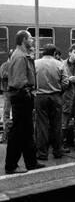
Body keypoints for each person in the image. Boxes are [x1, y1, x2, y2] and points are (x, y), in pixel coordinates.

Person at [5, 30, 45, 174]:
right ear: (23, 40)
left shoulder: (22, 55)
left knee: (27, 131)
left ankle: (31, 162)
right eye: (30, 38)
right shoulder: (20, 56)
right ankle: (11, 165)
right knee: (18, 132)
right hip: (21, 96)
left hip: (22, 96)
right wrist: (28, 93)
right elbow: (18, 81)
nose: (32, 40)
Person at [34, 44, 69, 160]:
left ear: (43, 52)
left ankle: (42, 153)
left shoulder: (35, 63)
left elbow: (31, 80)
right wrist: (59, 91)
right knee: (56, 125)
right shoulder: (60, 64)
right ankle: (57, 151)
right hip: (56, 97)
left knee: (42, 125)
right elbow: (65, 82)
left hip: (40, 97)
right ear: (54, 53)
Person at [0, 49, 13, 143]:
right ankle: (5, 133)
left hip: (13, 91)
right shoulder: (5, 65)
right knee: (6, 112)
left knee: (12, 112)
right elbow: (4, 75)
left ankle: (10, 132)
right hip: (7, 91)